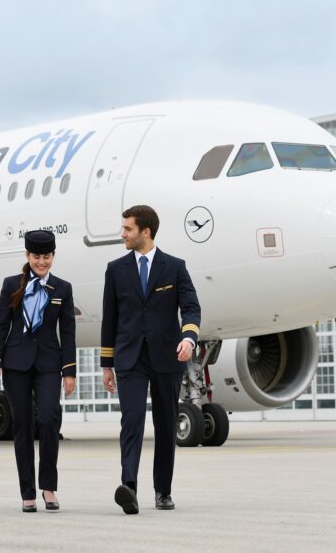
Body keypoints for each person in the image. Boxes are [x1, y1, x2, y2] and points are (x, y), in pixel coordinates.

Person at [100, 205, 200, 515]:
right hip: (130, 358)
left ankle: (163, 491)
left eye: (127, 229)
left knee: (166, 425)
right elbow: (109, 320)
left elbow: (191, 308)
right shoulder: (116, 270)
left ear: (146, 231)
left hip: (167, 357)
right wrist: (107, 363)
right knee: (131, 421)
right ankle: (128, 486)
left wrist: (189, 338)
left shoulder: (175, 267)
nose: (122, 234)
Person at [0, 229, 76, 512]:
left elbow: (68, 332)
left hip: (49, 364)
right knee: (22, 426)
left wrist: (69, 371)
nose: (42, 262)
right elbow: (2, 324)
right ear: (27, 256)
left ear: (53, 256)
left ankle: (48, 486)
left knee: (49, 418)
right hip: (16, 363)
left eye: (47, 257)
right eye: (37, 257)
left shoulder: (62, 288)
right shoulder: (11, 284)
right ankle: (27, 492)